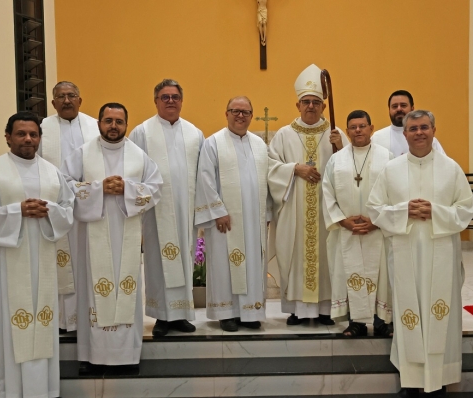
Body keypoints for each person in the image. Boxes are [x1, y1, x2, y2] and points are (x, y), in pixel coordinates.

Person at [0, 112, 74, 398]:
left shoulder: (52, 173)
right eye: (21, 134)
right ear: (8, 136)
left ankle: (47, 392)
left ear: (40, 138)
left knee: (43, 321)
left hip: (42, 259)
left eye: (33, 134)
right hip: (6, 264)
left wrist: (49, 209)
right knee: (7, 326)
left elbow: (68, 209)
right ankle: (6, 394)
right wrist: (17, 211)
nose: (28, 139)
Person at [367, 110, 473, 398]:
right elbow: (375, 208)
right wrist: (404, 211)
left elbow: (466, 210)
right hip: (405, 255)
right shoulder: (391, 169)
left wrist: (435, 212)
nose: (419, 133)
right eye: (413, 128)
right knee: (408, 315)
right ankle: (410, 384)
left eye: (424, 127)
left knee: (441, 315)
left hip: (442, 255)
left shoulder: (451, 169)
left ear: (434, 130)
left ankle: (438, 385)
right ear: (405, 134)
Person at [62, 103, 162, 373]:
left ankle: (127, 356)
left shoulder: (139, 155)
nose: (113, 126)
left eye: (119, 121)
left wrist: (127, 189)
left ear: (126, 124)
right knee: (94, 290)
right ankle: (93, 355)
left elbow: (155, 187)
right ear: (99, 123)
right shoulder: (82, 153)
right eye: (108, 120)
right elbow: (64, 185)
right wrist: (97, 189)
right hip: (92, 238)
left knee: (126, 290)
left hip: (126, 234)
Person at [268, 64, 349, 326]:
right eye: (306, 102)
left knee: (328, 257)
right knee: (295, 254)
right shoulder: (284, 135)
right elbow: (270, 167)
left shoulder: (336, 133)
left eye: (316, 102)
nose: (311, 106)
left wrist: (340, 148)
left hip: (327, 210)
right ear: (297, 105)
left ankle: (327, 309)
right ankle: (297, 309)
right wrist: (295, 169)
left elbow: (349, 168)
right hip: (295, 210)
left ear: (324, 107)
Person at [129, 79, 204, 337]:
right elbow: (132, 170)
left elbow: (202, 174)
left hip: (186, 209)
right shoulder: (142, 132)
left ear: (182, 101)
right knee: (156, 261)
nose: (170, 101)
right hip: (154, 210)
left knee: (183, 258)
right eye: (164, 97)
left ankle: (181, 314)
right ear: (156, 101)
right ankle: (162, 315)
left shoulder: (195, 133)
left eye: (175, 96)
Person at [195, 96, 271, 331]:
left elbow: (267, 182)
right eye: (235, 111)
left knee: (251, 265)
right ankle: (226, 312)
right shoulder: (213, 143)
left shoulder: (259, 144)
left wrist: (266, 213)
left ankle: (250, 312)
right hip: (225, 220)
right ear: (226, 113)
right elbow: (205, 179)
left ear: (251, 115)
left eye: (246, 112)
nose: (240, 115)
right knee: (225, 264)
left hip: (253, 220)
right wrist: (218, 211)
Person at [322, 110, 392, 336]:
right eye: (353, 127)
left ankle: (382, 321)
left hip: (378, 230)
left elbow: (396, 192)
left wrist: (377, 221)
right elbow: (327, 192)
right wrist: (343, 221)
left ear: (371, 128)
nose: (358, 130)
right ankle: (356, 323)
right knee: (350, 274)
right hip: (347, 232)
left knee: (381, 276)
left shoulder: (388, 157)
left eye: (362, 126)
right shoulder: (337, 159)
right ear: (347, 130)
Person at [40, 81, 100, 333]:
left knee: (88, 261)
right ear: (53, 102)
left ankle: (90, 315)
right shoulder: (42, 128)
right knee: (62, 263)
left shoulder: (95, 127)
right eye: (60, 97)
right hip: (56, 206)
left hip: (91, 205)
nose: (66, 100)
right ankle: (65, 319)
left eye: (71, 95)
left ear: (80, 100)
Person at [371, 90, 445, 157]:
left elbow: (442, 164)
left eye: (403, 105)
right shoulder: (377, 137)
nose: (399, 109)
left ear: (412, 109)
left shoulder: (424, 137)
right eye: (395, 106)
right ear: (389, 110)